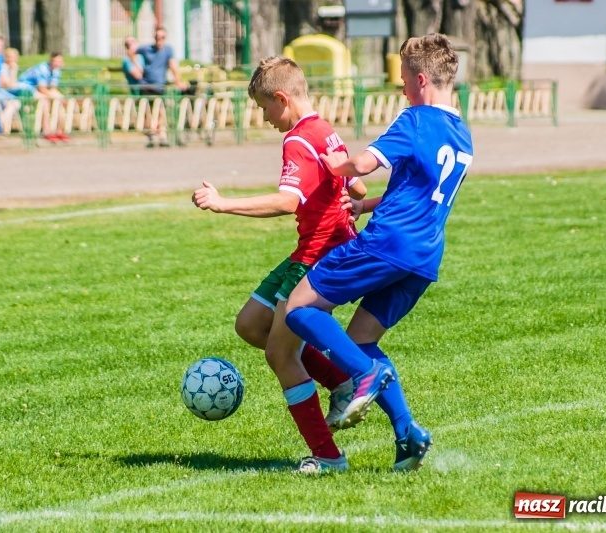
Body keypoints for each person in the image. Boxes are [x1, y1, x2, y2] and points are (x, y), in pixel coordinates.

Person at [284, 33, 474, 471]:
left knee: (299, 308)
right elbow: (425, 192)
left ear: (422, 80)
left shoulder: (415, 119)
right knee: (362, 340)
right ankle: (408, 434)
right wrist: (365, 204)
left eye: (405, 80)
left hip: (387, 244)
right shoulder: (462, 134)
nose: (403, 89)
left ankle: (361, 377)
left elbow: (365, 164)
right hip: (425, 257)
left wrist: (333, 165)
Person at [192, 56, 368, 474]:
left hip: (319, 256)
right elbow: (356, 182)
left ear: (283, 98)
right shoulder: (324, 130)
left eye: (264, 107)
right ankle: (340, 382)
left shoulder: (298, 140)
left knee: (278, 353)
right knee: (251, 325)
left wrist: (222, 204)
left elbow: (288, 200)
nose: (264, 117)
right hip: (312, 250)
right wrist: (346, 197)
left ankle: (328, 458)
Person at [135, 27, 189, 147]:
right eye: (157, 37)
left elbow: (173, 66)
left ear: (165, 38)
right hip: (146, 85)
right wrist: (136, 67)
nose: (159, 40)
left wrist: (178, 81)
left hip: (160, 86)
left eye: (162, 37)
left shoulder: (168, 50)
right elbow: (132, 52)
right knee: (147, 112)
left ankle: (162, 135)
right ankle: (151, 136)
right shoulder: (145, 49)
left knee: (160, 112)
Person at [18, 52, 67, 142]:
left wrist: (61, 97)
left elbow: (52, 89)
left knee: (59, 101)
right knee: (45, 101)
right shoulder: (42, 69)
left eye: (59, 61)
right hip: (26, 88)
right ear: (51, 61)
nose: (57, 63)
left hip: (37, 90)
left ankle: (59, 131)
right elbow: (42, 89)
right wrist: (55, 96)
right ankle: (46, 131)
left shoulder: (57, 70)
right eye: (55, 61)